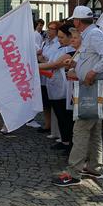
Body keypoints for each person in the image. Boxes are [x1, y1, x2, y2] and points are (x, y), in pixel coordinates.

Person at [53, 6, 103, 187]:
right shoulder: (90, 34)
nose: (73, 23)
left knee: (81, 128)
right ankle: (95, 166)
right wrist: (76, 63)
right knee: (94, 128)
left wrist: (91, 72)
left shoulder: (93, 34)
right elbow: (93, 57)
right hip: (91, 87)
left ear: (77, 21)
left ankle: (73, 172)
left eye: (74, 20)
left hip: (91, 87)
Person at [39, 23, 75, 151]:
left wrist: (34, 66)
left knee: (66, 117)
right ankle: (64, 140)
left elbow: (55, 65)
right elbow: (49, 63)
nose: (59, 40)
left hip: (64, 89)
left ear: (70, 37)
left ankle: (70, 143)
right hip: (54, 86)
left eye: (62, 37)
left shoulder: (71, 49)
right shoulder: (60, 48)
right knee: (60, 116)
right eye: (58, 37)